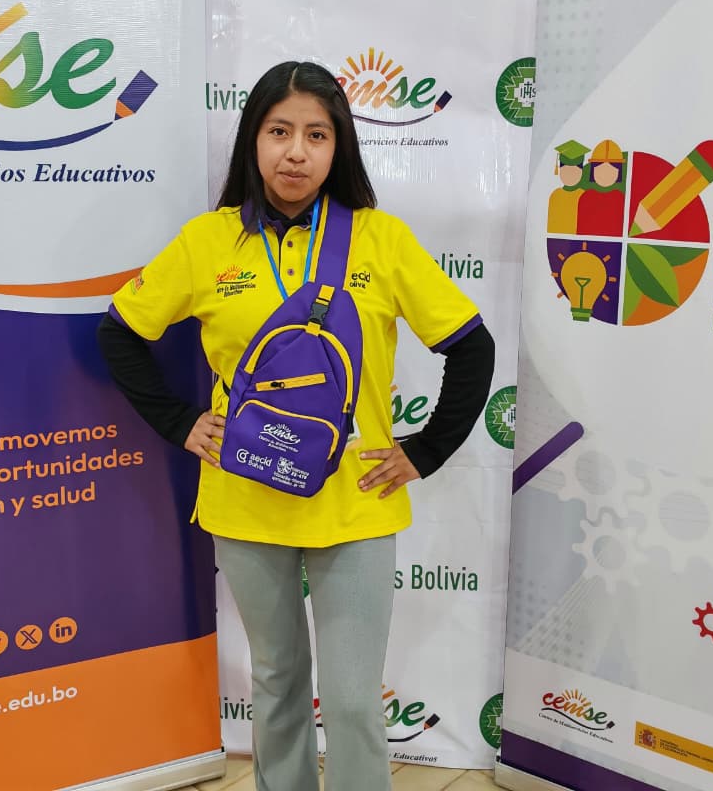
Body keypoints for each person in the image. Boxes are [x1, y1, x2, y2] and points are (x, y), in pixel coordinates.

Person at [97, 60, 495, 791]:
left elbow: (471, 346)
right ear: (253, 138)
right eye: (279, 132)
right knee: (277, 679)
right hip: (245, 497)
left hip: (355, 502)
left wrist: (427, 449)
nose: (296, 153)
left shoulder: (380, 239)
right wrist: (181, 423)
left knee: (350, 697)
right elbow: (121, 333)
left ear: (338, 147)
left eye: (317, 134)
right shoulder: (208, 242)